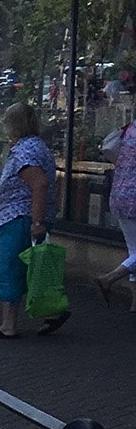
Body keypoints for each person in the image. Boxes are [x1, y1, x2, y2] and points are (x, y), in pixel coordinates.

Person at [0, 102, 71, 338]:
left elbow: (39, 183)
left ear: (13, 125)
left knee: (11, 268)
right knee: (35, 269)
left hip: (21, 218)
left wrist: (36, 222)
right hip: (26, 217)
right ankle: (53, 311)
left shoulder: (24, 150)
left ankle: (8, 325)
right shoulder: (38, 146)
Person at [95, 117, 136, 312]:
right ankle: (109, 278)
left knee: (133, 250)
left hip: (120, 194)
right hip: (134, 198)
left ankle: (135, 302)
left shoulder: (129, 129)